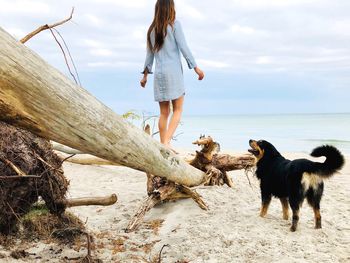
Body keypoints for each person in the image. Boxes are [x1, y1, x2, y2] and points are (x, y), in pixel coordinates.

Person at [140, 0, 204, 151]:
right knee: (178, 109)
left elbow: (149, 55)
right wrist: (195, 68)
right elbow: (184, 47)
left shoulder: (151, 30)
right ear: (171, 8)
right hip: (173, 73)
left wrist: (145, 76)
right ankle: (166, 142)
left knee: (163, 112)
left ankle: (164, 145)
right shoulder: (174, 24)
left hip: (159, 75)